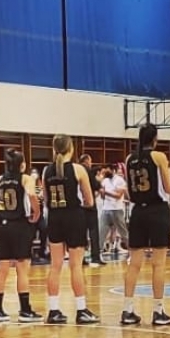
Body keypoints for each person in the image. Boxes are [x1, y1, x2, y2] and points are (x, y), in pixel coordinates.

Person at [0, 148, 42, 323]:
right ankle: (25, 310)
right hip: (20, 225)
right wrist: (37, 211)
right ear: (22, 165)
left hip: (3, 227)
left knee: (2, 269)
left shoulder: (0, 179)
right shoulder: (25, 178)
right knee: (22, 269)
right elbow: (32, 193)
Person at [120, 123, 170, 326]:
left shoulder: (129, 158)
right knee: (158, 264)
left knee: (134, 264)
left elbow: (129, 189)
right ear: (155, 139)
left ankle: (127, 310)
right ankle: (158, 311)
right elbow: (168, 188)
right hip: (157, 211)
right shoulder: (159, 157)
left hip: (138, 212)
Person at [42, 133, 98, 325]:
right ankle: (81, 310)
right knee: (76, 266)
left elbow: (46, 200)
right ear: (71, 148)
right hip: (74, 217)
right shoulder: (77, 169)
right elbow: (90, 201)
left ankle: (53, 310)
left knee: (55, 266)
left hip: (55, 218)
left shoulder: (46, 171)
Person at [79, 153, 105, 266]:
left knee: (81, 234)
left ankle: (81, 258)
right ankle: (95, 257)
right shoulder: (86, 171)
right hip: (89, 205)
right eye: (90, 161)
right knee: (93, 232)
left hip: (79, 206)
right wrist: (99, 184)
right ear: (86, 161)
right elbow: (95, 185)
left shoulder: (75, 170)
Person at [99, 162, 129, 257]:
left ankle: (132, 250)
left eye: (107, 170)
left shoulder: (119, 180)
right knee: (101, 232)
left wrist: (106, 192)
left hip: (117, 209)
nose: (106, 173)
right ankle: (98, 253)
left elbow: (118, 195)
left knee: (123, 232)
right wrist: (102, 192)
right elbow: (103, 196)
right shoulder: (104, 181)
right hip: (106, 208)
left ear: (113, 170)